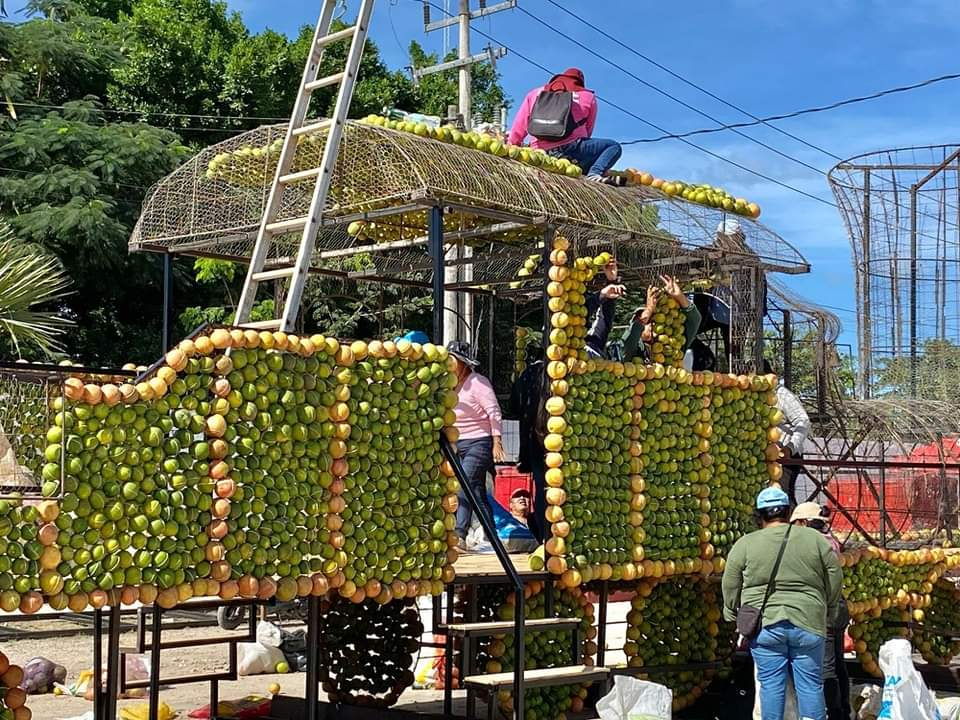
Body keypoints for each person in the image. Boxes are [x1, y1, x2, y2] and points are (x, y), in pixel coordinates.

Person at [722, 487, 843, 720]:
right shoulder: (815, 540)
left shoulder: (745, 544)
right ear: (788, 512)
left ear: (759, 515)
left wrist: (730, 611)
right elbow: (834, 575)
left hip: (766, 626)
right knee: (810, 685)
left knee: (771, 686)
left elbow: (730, 581)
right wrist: (830, 607)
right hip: (809, 622)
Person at [508, 68, 623, 183]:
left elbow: (520, 124)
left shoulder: (535, 93)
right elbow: (588, 130)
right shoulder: (588, 96)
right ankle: (594, 173)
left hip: (538, 152)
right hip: (572, 149)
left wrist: (512, 146)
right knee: (613, 146)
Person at [791, 503, 850, 720]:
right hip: (837, 607)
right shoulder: (830, 541)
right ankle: (843, 710)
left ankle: (834, 713)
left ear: (803, 523)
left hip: (822, 610)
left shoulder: (810, 544)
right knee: (837, 663)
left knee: (826, 668)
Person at [448, 341, 505, 548]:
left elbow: (494, 411)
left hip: (479, 443)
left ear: (462, 363)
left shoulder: (478, 383)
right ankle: (492, 538)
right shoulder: (448, 384)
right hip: (458, 444)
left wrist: (496, 440)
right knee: (477, 492)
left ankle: (459, 534)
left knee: (464, 484)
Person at [620, 275, 701, 364]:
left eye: (654, 321)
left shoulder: (671, 345)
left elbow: (695, 319)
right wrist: (648, 310)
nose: (651, 324)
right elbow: (628, 341)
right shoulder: (635, 348)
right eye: (647, 322)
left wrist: (680, 297)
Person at [763, 360, 811, 507]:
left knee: (782, 498)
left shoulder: (782, 395)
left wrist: (790, 447)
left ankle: (791, 528)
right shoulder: (755, 397)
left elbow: (803, 421)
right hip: (765, 458)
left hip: (785, 457)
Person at [585, 258, 626, 359]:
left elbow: (605, 321)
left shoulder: (593, 345)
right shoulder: (557, 348)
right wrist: (601, 295)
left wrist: (611, 281)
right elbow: (579, 314)